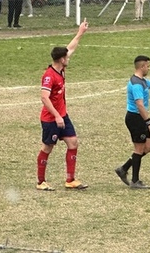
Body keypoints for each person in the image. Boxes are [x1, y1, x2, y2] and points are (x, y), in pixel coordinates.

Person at [36, 19, 89, 191]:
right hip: (51, 119)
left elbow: (71, 47)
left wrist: (80, 32)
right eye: (66, 57)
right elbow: (44, 98)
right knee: (47, 147)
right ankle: (41, 182)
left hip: (62, 116)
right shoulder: (49, 76)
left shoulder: (61, 68)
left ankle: (70, 179)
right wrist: (57, 116)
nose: (69, 58)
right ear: (61, 59)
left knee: (73, 142)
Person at [114, 55, 150, 189]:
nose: (149, 68)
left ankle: (123, 169)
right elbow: (140, 105)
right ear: (142, 67)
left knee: (148, 147)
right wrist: (149, 122)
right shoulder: (136, 85)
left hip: (140, 119)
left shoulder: (142, 81)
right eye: (148, 66)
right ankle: (135, 181)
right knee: (139, 149)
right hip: (136, 118)